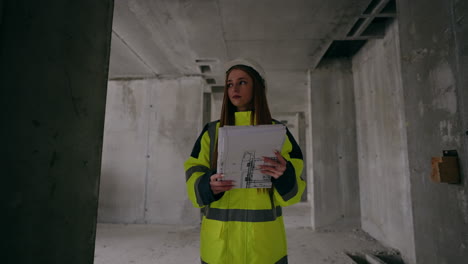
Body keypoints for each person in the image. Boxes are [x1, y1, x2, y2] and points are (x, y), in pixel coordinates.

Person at [184, 58, 306, 264]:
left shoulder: (278, 133)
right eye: (230, 84)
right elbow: (193, 172)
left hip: (264, 248)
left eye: (242, 82)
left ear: (257, 87)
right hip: (219, 248)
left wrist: (284, 176)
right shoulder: (212, 132)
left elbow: (293, 194)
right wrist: (207, 185)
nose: (234, 89)